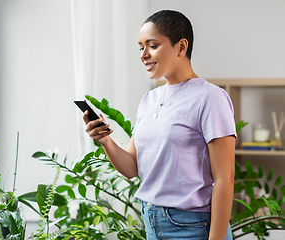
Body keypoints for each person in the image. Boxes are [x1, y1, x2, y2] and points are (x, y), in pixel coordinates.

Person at [83, 10, 236, 240]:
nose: (144, 54)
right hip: (152, 223)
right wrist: (105, 140)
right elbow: (131, 168)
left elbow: (225, 177)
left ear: (181, 47)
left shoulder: (210, 98)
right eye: (140, 47)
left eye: (152, 45)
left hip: (193, 228)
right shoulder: (149, 100)